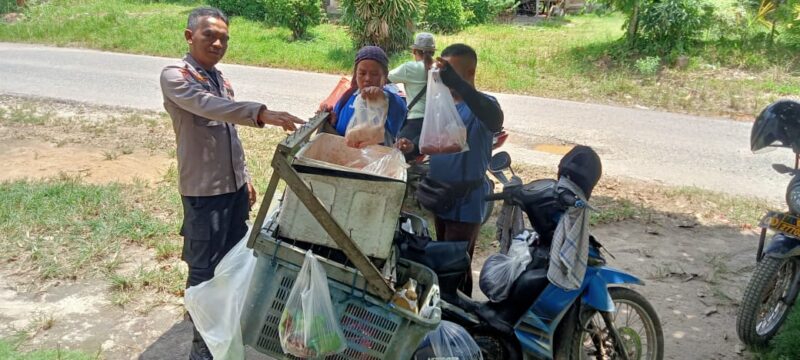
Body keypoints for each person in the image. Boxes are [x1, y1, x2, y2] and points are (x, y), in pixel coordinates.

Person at [159, 7, 304, 360]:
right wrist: (261, 113)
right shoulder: (176, 77)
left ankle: (223, 324)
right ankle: (201, 348)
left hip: (233, 189)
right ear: (189, 36)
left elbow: (229, 134)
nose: (218, 42)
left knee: (232, 263)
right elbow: (210, 108)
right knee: (204, 268)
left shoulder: (220, 79)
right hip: (203, 193)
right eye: (210, 35)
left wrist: (245, 178)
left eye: (224, 37)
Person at [423, 44, 504, 295]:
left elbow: (494, 118)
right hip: (440, 196)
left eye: (453, 74)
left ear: (470, 73)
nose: (446, 80)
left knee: (455, 266)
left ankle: (460, 319)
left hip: (466, 203)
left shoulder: (482, 106)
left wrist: (459, 85)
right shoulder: (441, 106)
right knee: (443, 263)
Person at [319, 46, 407, 146]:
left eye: (374, 74)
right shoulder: (348, 96)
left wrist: (383, 97)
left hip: (374, 160)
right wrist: (331, 120)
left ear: (385, 76)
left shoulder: (389, 101)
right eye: (362, 73)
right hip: (342, 156)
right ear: (356, 75)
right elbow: (336, 126)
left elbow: (400, 111)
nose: (367, 78)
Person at [389, 32, 436, 161]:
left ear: (414, 50)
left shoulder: (409, 68)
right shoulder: (440, 69)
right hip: (436, 124)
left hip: (416, 122)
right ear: (432, 52)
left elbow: (384, 79)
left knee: (397, 158)